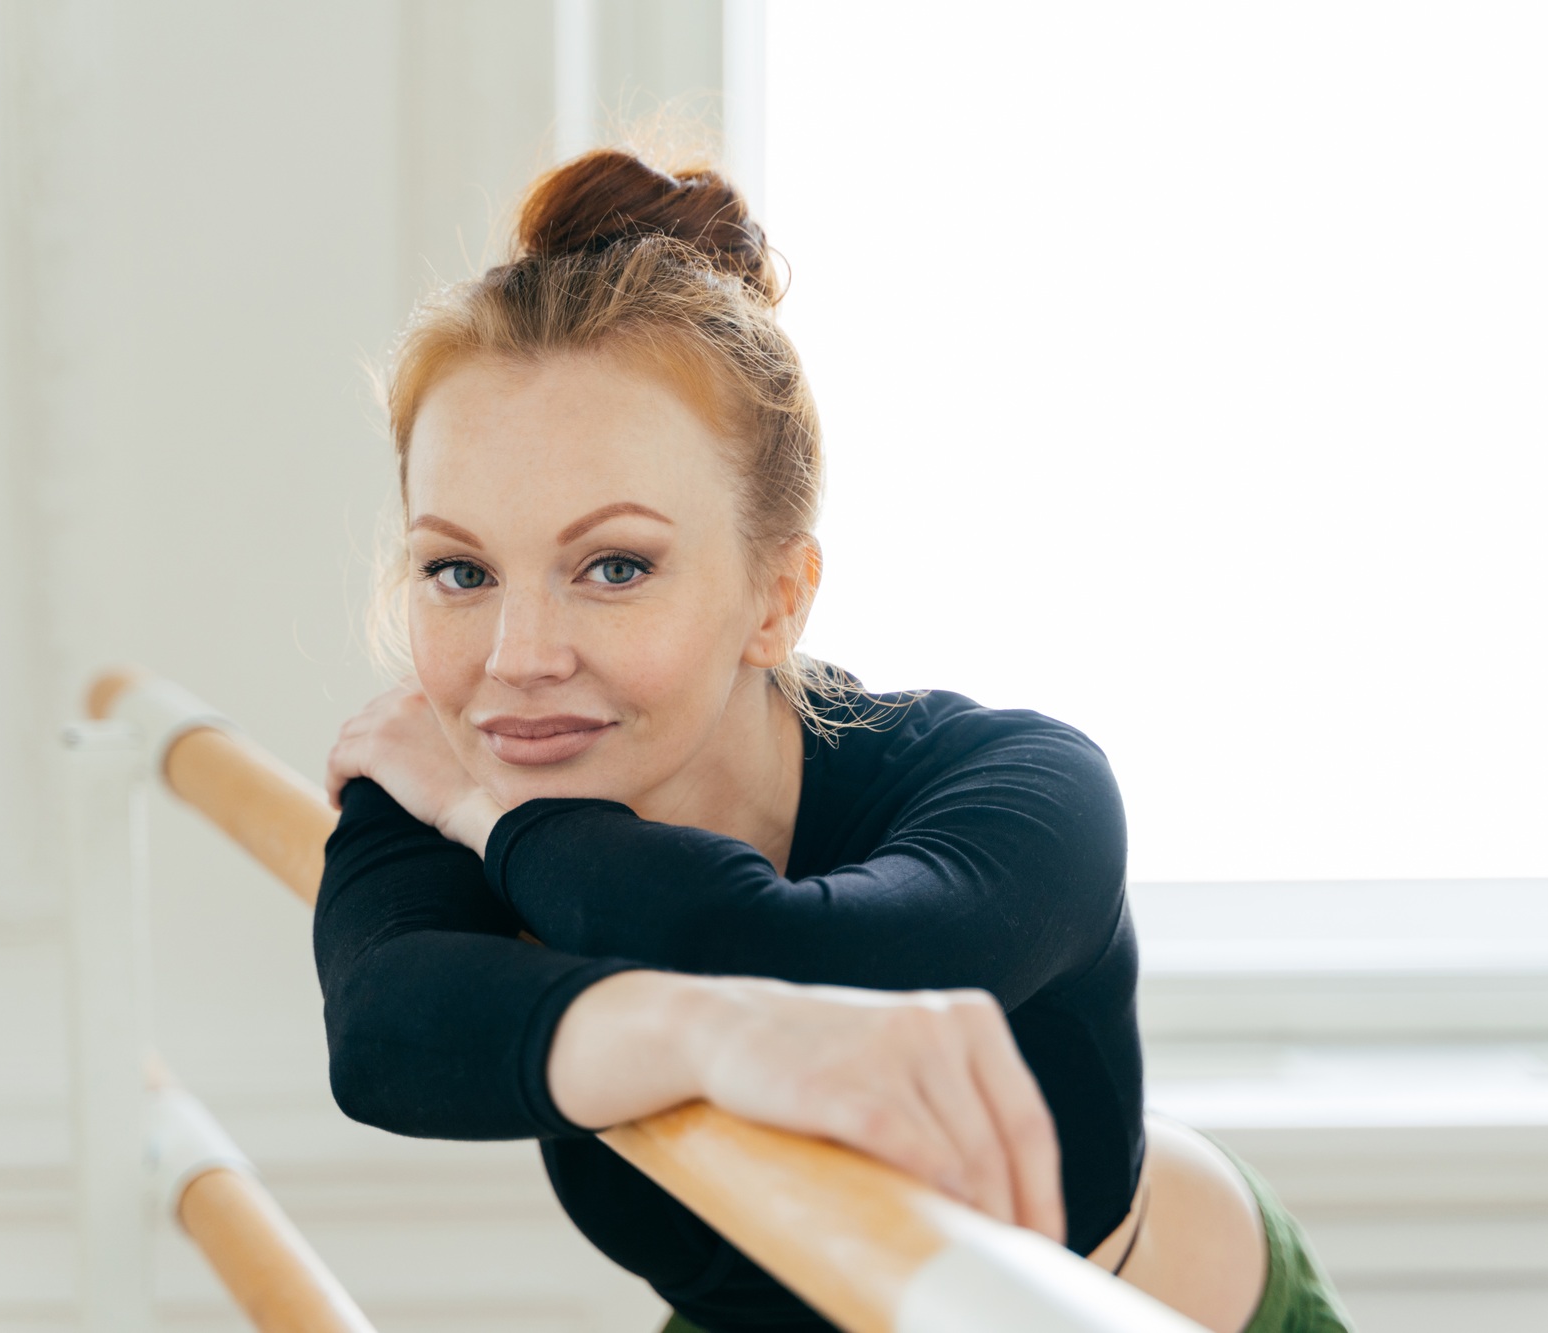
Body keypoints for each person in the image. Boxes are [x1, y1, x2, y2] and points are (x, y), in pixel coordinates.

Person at [314, 146, 1350, 1333]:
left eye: (614, 567)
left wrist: (499, 826)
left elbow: (810, 965)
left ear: (776, 595)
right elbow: (384, 1032)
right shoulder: (458, 760)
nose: (516, 655)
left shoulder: (1017, 789)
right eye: (460, 570)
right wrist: (696, 1028)